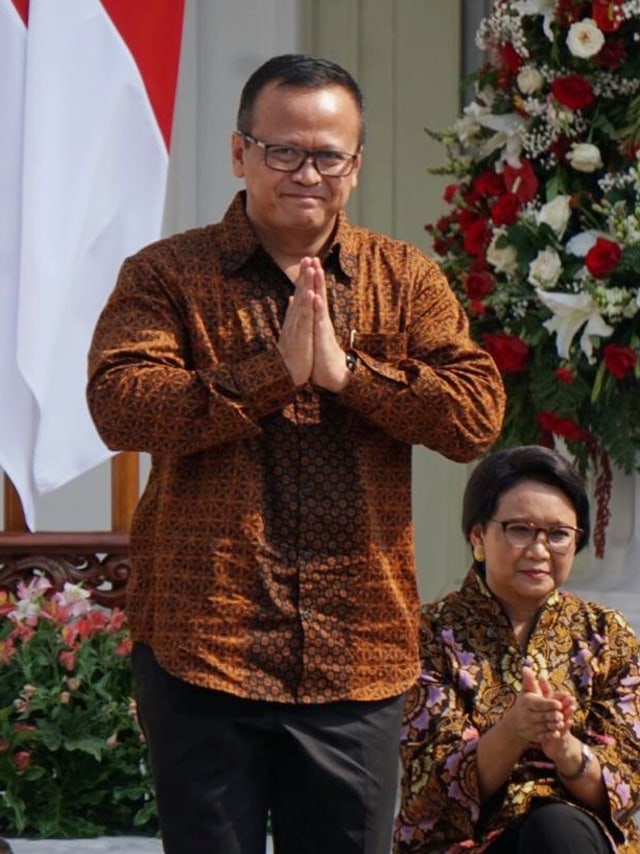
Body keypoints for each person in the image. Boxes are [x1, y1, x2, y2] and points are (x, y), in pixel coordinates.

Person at [86, 53, 505, 854]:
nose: (305, 172)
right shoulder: (167, 275)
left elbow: (476, 416)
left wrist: (353, 377)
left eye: (327, 155)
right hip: (206, 645)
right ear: (240, 153)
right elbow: (120, 404)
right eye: (283, 151)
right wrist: (270, 375)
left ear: (355, 164)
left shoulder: (405, 278)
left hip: (360, 651)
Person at [394, 445, 640, 853]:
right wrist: (514, 730)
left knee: (557, 828)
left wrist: (563, 749)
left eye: (558, 534)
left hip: (575, 837)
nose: (539, 550)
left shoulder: (606, 636)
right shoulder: (430, 634)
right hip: (466, 842)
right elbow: (430, 790)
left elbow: (627, 784)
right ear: (478, 535)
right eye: (520, 529)